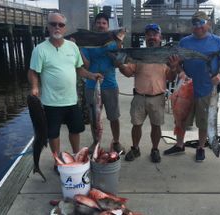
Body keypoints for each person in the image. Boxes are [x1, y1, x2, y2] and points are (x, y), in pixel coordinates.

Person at [28, 12, 103, 171]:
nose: (57, 27)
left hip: (72, 100)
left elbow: (79, 69)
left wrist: (91, 75)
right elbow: (33, 72)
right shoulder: (40, 49)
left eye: (60, 25)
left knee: (75, 129)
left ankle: (76, 155)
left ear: (65, 28)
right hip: (51, 102)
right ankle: (57, 161)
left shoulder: (72, 46)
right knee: (53, 133)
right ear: (47, 26)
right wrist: (34, 87)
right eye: (53, 24)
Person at [163, 11, 220, 161]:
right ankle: (179, 145)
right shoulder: (184, 42)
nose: (197, 26)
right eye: (194, 23)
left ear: (208, 24)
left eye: (201, 22)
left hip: (207, 90)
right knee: (180, 118)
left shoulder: (218, 42)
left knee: (203, 121)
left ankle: (201, 147)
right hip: (186, 88)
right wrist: (179, 70)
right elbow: (177, 63)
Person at [115, 23, 179, 163]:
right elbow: (127, 72)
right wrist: (120, 64)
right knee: (136, 125)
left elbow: (171, 78)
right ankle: (135, 148)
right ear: (145, 37)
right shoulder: (139, 54)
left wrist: (174, 68)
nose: (151, 37)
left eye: (154, 34)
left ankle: (155, 149)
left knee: (156, 126)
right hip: (139, 96)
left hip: (158, 97)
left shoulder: (166, 56)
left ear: (160, 37)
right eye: (149, 34)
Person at [81, 13, 125, 154]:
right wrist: (78, 49)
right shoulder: (88, 42)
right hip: (91, 85)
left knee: (114, 116)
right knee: (94, 118)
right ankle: (96, 142)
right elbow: (86, 66)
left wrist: (118, 44)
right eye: (98, 22)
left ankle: (116, 142)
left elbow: (117, 64)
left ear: (108, 26)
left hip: (110, 85)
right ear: (95, 25)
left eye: (104, 23)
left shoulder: (113, 42)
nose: (101, 25)